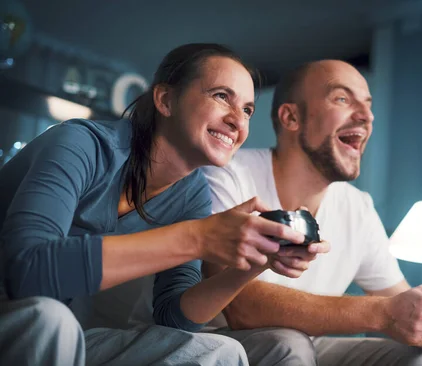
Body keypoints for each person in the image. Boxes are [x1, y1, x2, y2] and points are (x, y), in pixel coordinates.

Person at [0, 43, 325, 366]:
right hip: (24, 315)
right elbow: (27, 271)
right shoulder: (80, 145)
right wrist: (197, 237)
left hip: (62, 332)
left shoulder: (192, 194)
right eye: (221, 96)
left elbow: (174, 318)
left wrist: (252, 264)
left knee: (221, 351)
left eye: (248, 110)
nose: (237, 121)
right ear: (166, 100)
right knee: (52, 319)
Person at [195, 60, 422, 366]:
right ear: (291, 117)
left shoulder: (358, 207)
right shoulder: (227, 177)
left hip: (311, 348)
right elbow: (240, 307)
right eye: (342, 99)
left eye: (368, 105)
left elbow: (401, 306)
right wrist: (382, 313)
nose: (367, 116)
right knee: (288, 344)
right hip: (225, 343)